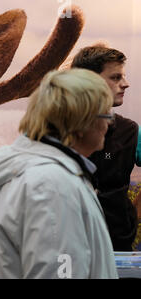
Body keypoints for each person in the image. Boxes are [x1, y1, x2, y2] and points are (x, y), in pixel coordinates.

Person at [0, 69, 117, 278]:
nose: (109, 123)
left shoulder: (31, 174)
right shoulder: (53, 185)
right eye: (106, 115)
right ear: (82, 122)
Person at [71, 46, 139, 251]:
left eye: (123, 76)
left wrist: (131, 215)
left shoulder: (130, 130)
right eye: (116, 77)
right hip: (69, 246)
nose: (125, 84)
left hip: (117, 245)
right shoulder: (55, 130)